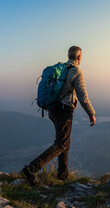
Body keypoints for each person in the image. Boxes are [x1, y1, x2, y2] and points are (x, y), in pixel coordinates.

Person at [20, 46, 96, 185]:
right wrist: (91, 113)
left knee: (64, 142)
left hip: (52, 110)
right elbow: (83, 96)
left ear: (69, 56)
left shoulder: (60, 68)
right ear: (79, 57)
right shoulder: (76, 71)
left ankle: (63, 175)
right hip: (64, 112)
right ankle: (31, 169)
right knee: (61, 143)